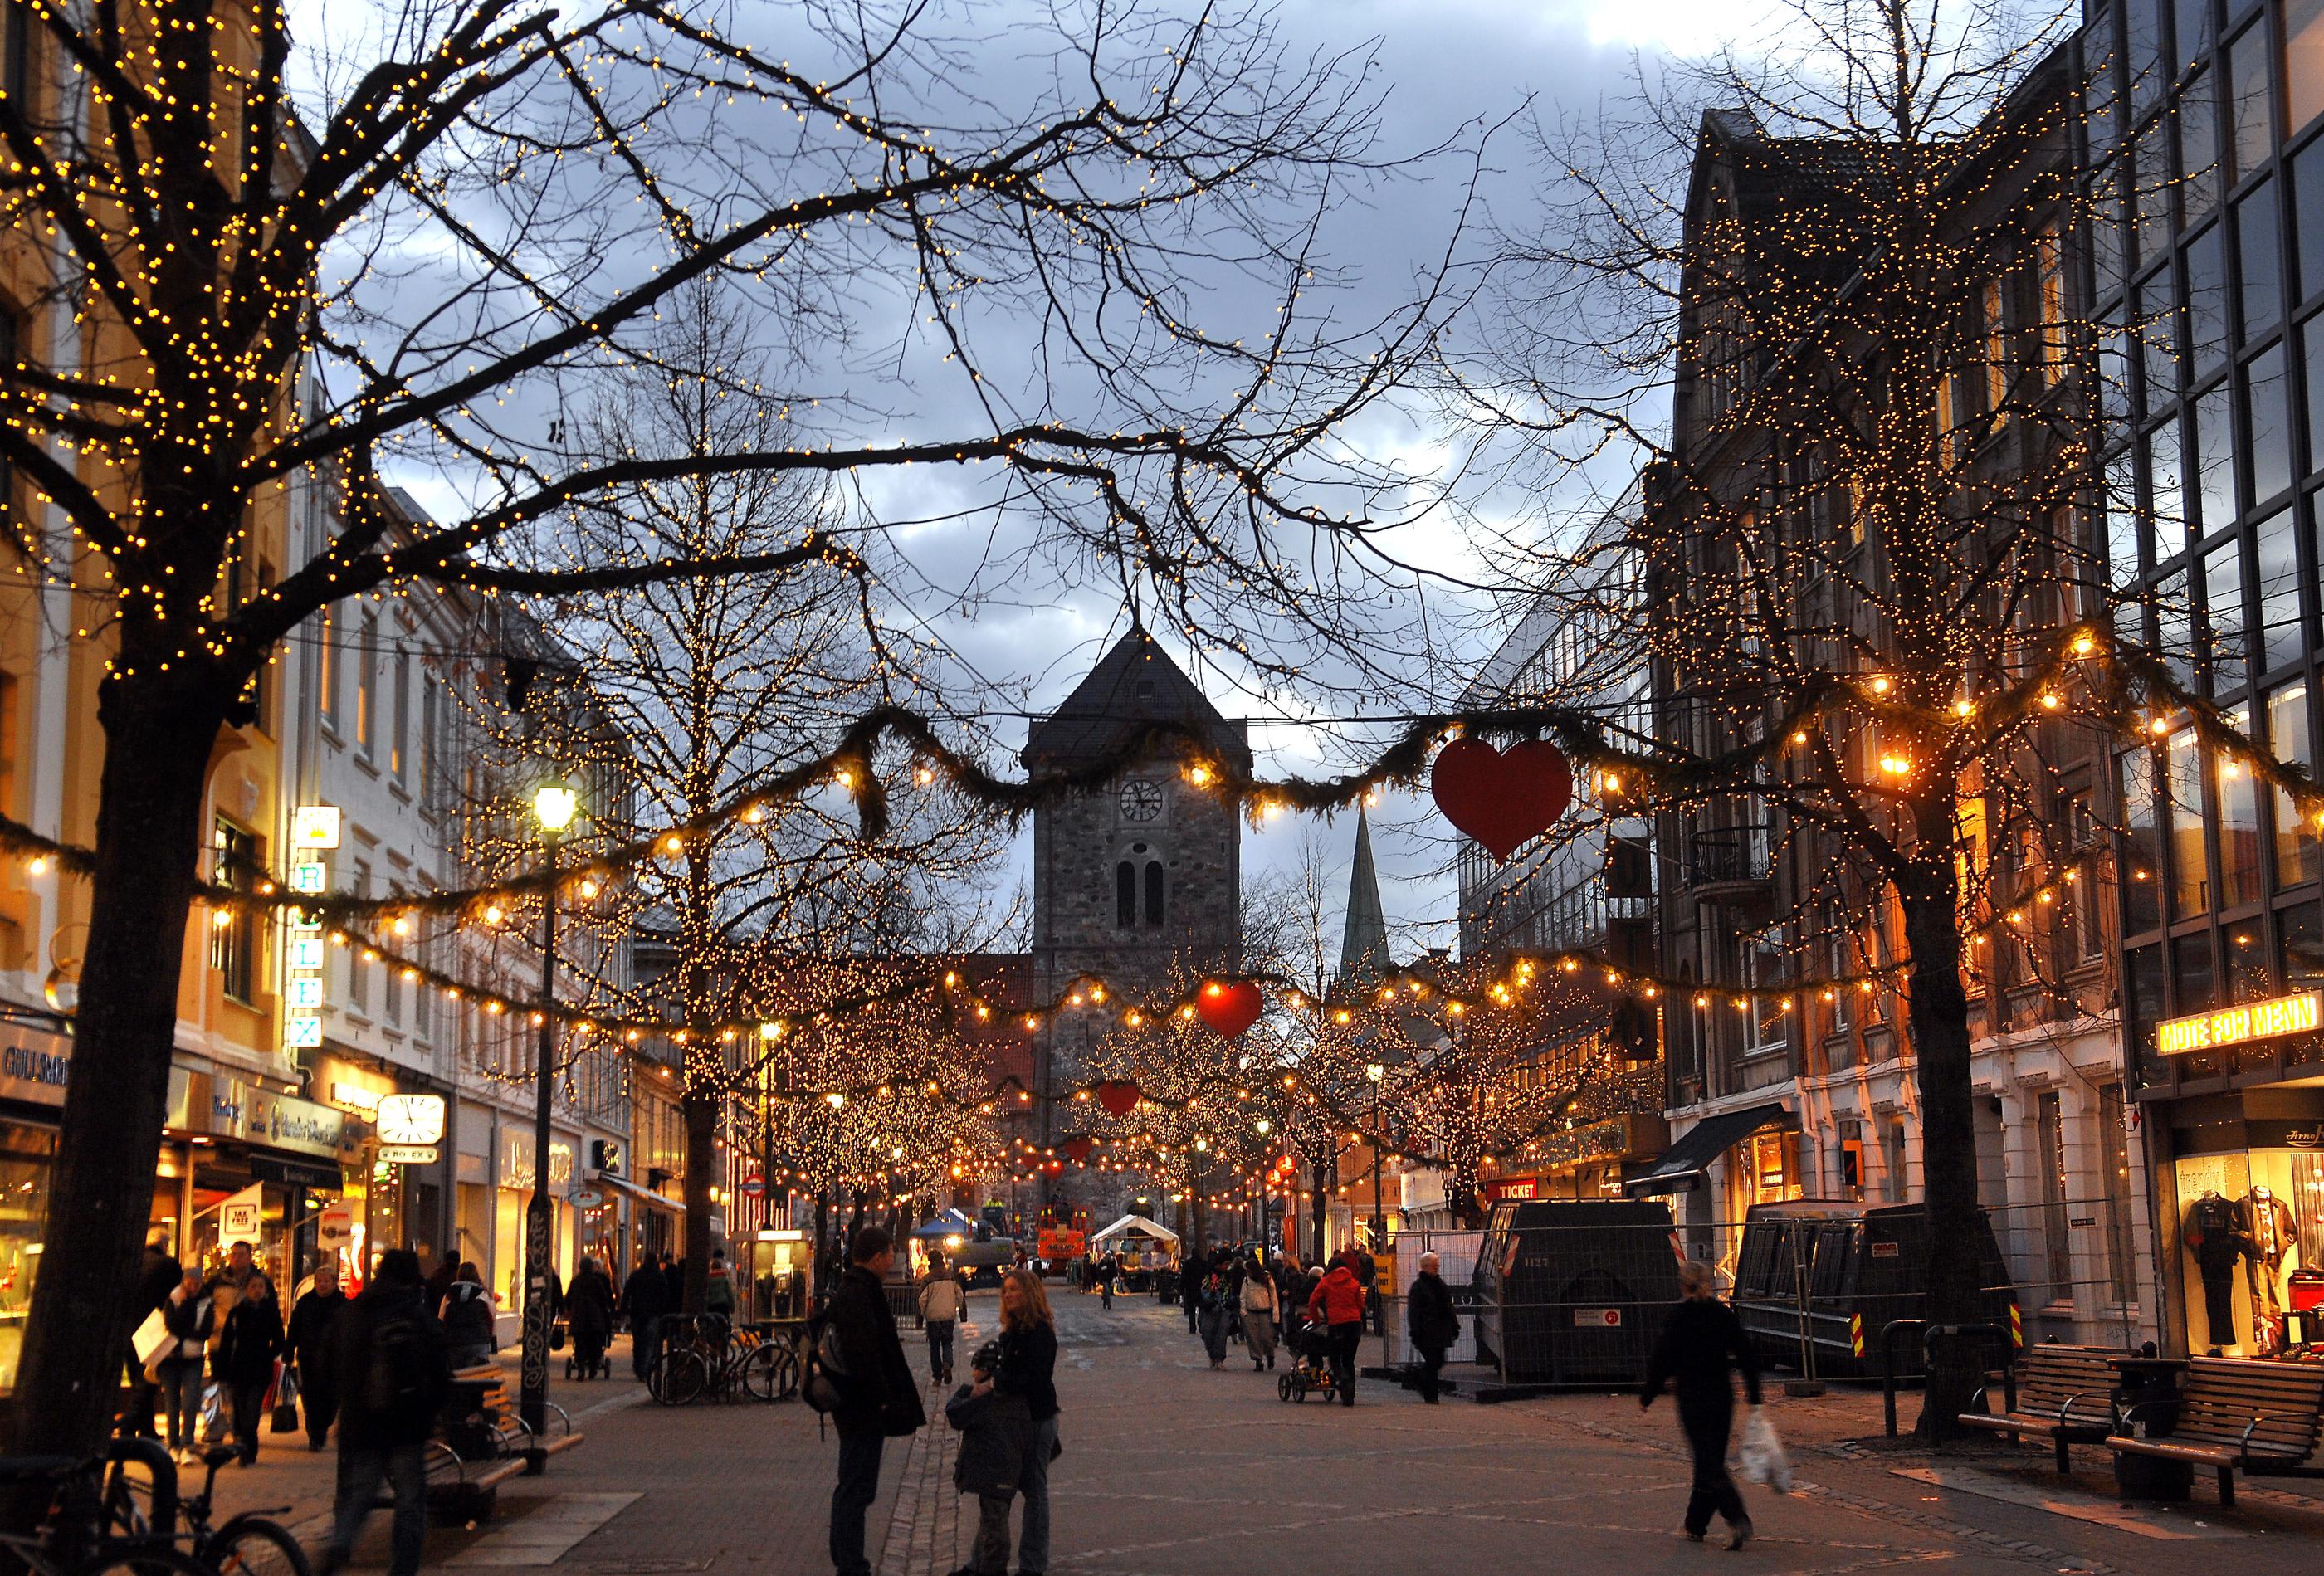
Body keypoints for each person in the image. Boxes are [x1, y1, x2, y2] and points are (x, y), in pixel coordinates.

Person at [324, 1248, 450, 1576]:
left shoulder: (355, 1310)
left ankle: (340, 1542)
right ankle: (402, 1569)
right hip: (406, 1424)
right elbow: (438, 1366)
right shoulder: (414, 1314)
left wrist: (341, 1410)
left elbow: (331, 1360)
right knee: (410, 1499)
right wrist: (434, 1413)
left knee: (362, 1492)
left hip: (362, 1422)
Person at [1641, 1259, 1762, 1550]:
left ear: (1683, 1285)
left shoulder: (1678, 1317)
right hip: (1721, 1396)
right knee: (1709, 1459)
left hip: (1692, 1397)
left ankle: (1736, 1516)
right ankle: (1695, 1524)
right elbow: (1745, 1352)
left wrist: (1648, 1394)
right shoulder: (1721, 1314)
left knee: (1707, 1461)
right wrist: (1755, 1394)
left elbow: (1663, 1359)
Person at [825, 1227, 925, 1576]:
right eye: (890, 1254)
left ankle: (847, 1556)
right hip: (861, 1407)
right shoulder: (859, 1294)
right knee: (856, 1487)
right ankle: (851, 1563)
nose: (892, 1261)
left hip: (857, 1404)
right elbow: (864, 1353)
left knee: (855, 1485)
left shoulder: (856, 1289)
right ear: (878, 1256)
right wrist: (880, 1398)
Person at [986, 1268, 1057, 1576]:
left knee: (1034, 1490)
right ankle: (984, 1561)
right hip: (1013, 1419)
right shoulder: (1011, 1331)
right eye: (1006, 1290)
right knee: (998, 1490)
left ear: (1029, 1294)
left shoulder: (1040, 1332)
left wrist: (998, 1381)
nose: (1009, 1295)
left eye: (1015, 1289)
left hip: (1037, 1417)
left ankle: (1033, 1564)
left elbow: (1036, 1378)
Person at [944, 1339, 1028, 1576]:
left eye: (976, 1367)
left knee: (995, 1527)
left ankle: (992, 1569)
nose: (972, 1372)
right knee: (991, 1520)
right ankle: (976, 1565)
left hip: (993, 1473)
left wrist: (971, 1391)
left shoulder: (985, 1399)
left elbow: (955, 1413)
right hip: (1006, 1470)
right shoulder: (1012, 1396)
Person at [216, 1271, 284, 1465]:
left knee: (252, 1413)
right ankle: (242, 1445)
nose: (257, 1290)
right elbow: (226, 1342)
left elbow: (279, 1340)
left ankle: (248, 1451)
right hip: (239, 1368)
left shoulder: (270, 1313)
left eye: (261, 1286)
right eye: (253, 1286)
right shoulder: (237, 1313)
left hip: (260, 1369)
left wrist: (268, 1354)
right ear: (246, 1289)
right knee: (239, 1411)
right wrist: (222, 1370)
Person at [286, 1261, 351, 1449]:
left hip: (334, 1360)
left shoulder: (343, 1305)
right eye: (319, 1281)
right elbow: (294, 1329)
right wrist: (289, 1352)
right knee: (311, 1397)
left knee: (331, 1397)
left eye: (326, 1281)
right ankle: (315, 1435)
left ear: (334, 1283)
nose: (322, 1284)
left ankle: (323, 1424)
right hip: (309, 1357)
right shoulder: (305, 1303)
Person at [156, 1263, 214, 1463]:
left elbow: (204, 1332)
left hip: (193, 1358)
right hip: (170, 1359)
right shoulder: (173, 1298)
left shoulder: (206, 1302)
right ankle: (173, 1445)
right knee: (171, 1403)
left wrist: (184, 1331)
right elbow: (171, 1325)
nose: (193, 1287)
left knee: (189, 1402)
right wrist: (184, 1306)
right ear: (184, 1282)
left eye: (197, 1283)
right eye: (190, 1283)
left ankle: (187, 1444)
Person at [1306, 1253, 1365, 1406]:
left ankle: (1343, 1380)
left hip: (1337, 1324)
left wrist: (1316, 1321)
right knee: (1349, 1360)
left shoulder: (1326, 1282)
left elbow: (1313, 1302)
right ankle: (1349, 1396)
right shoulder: (1353, 1283)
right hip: (1354, 1324)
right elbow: (1360, 1305)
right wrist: (1355, 1315)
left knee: (1334, 1358)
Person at [1408, 1252, 1459, 1404]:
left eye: (1437, 1266)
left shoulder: (1439, 1284)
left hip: (1440, 1330)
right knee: (1432, 1361)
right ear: (1425, 1267)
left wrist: (1454, 1325)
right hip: (1425, 1331)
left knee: (1438, 1361)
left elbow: (1448, 1306)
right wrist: (1415, 1332)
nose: (1437, 1268)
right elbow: (1414, 1312)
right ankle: (1431, 1395)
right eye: (1434, 1266)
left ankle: (1422, 1383)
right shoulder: (1418, 1287)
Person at [622, 1252, 671, 1379]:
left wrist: (624, 1309)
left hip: (637, 1313)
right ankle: (645, 1367)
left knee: (638, 1341)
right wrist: (663, 1311)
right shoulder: (659, 1276)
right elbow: (665, 1295)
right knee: (649, 1341)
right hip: (653, 1313)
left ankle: (638, 1366)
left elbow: (627, 1292)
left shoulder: (636, 1274)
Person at [565, 1256, 617, 1378]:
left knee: (580, 1344)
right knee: (594, 1344)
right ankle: (593, 1368)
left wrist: (569, 1308)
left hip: (579, 1318)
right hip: (594, 1319)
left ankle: (581, 1368)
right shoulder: (596, 1282)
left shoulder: (576, 1282)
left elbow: (568, 1299)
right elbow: (604, 1299)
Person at [441, 1261, 496, 1368]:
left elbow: (442, 1318)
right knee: (476, 1374)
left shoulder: (450, 1295)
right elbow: (491, 1319)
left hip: (455, 1342)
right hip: (479, 1342)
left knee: (456, 1374)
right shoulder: (483, 1294)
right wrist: (489, 1338)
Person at [920, 1260, 964, 1386]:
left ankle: (937, 1378)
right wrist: (960, 1308)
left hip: (933, 1318)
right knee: (947, 1343)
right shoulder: (951, 1277)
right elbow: (960, 1295)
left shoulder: (927, 1279)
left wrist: (922, 1314)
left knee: (934, 1347)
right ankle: (947, 1364)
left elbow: (922, 1300)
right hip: (948, 1317)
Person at [1240, 1254, 1278, 1371]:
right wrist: (1243, 1311)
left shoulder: (1267, 1278)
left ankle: (1270, 1354)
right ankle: (1258, 1360)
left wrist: (1275, 1314)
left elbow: (1274, 1296)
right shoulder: (1247, 1281)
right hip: (1250, 1312)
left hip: (1265, 1311)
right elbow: (1243, 1296)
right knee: (1253, 1338)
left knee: (1267, 1337)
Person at [1197, 1261, 1231, 1367]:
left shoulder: (1228, 1276)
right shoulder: (1207, 1276)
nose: (1227, 1266)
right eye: (1225, 1264)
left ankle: (1219, 1358)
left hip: (1224, 1308)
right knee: (1207, 1332)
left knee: (1222, 1334)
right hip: (1209, 1308)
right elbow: (1202, 1290)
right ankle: (1212, 1354)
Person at [704, 1252, 737, 1319]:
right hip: (723, 1305)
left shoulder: (708, 1280)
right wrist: (732, 1307)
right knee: (724, 1321)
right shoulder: (725, 1279)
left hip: (711, 1305)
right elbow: (729, 1293)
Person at [1178, 1258, 1201, 1334]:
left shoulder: (1187, 1264)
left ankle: (1192, 1327)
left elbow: (1183, 1278)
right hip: (1199, 1289)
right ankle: (1200, 1324)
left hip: (1189, 1289)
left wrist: (1181, 1291)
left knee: (1191, 1310)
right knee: (1200, 1307)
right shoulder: (1203, 1263)